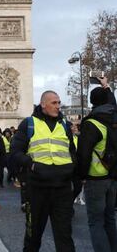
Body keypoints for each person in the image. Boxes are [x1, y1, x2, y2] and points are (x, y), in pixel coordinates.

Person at [11, 90, 76, 252]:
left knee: (65, 238)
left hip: (62, 188)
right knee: (33, 237)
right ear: (43, 104)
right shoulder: (29, 124)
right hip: (37, 189)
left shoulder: (65, 125)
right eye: (54, 103)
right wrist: (31, 165)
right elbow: (15, 151)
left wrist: (73, 173)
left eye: (59, 103)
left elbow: (72, 152)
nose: (58, 106)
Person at [77, 77, 117, 252]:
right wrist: (106, 86)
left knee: (95, 222)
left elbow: (84, 154)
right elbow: (112, 103)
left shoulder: (91, 123)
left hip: (96, 178)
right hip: (113, 177)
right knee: (110, 219)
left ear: (92, 102)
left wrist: (81, 177)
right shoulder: (113, 117)